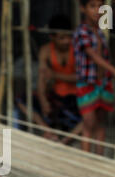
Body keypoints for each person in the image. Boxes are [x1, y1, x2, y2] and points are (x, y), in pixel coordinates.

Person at [74, 0, 115, 154]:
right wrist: (114, 70)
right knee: (89, 124)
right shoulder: (82, 31)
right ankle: (87, 164)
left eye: (100, 6)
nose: (97, 10)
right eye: (92, 6)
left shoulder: (100, 32)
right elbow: (93, 56)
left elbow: (104, 57)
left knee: (100, 124)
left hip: (103, 83)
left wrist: (109, 73)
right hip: (87, 84)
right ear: (82, 8)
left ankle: (99, 161)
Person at [36, 14, 83, 145]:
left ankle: (65, 141)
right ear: (52, 37)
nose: (66, 41)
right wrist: (43, 100)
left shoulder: (78, 49)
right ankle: (49, 132)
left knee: (92, 113)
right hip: (56, 97)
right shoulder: (45, 50)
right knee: (22, 100)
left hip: (76, 97)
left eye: (69, 37)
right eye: (62, 38)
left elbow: (81, 77)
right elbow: (42, 77)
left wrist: (55, 75)